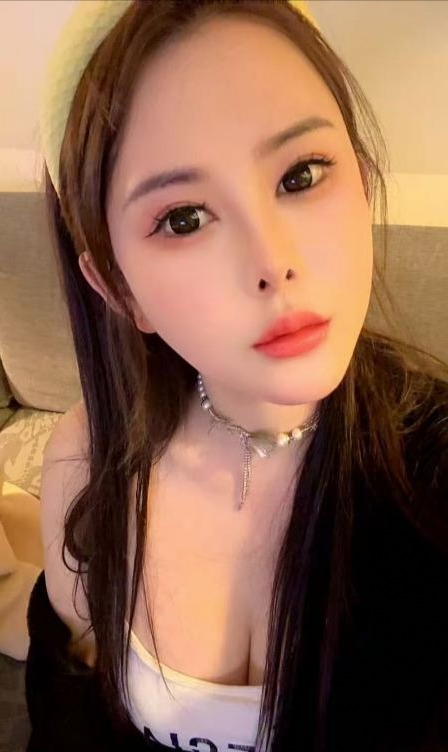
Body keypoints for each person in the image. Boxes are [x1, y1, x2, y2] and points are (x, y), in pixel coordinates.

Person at [25, 1, 448, 751]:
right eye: (184, 218)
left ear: (361, 177)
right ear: (117, 288)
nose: (272, 262)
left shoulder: (434, 471)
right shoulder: (87, 464)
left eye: (301, 175)